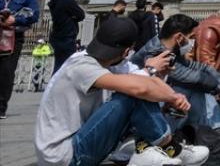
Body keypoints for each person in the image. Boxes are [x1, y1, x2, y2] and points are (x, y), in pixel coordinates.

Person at [34, 16, 210, 166]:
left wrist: (174, 96)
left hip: (80, 144)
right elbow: (139, 87)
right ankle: (170, 148)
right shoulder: (80, 65)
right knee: (131, 94)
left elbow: (146, 82)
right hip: (64, 156)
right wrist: (168, 92)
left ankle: (145, 150)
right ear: (127, 51)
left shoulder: (114, 63)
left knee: (139, 90)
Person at [132, 14, 220, 130]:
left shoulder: (170, 49)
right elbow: (194, 77)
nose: (193, 42)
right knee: (193, 88)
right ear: (179, 37)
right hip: (142, 107)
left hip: (156, 101)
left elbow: (201, 67)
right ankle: (214, 130)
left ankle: (213, 130)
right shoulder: (158, 53)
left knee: (199, 87)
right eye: (191, 37)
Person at [1, 0, 41, 119]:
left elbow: (34, 16)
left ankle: (1, 106)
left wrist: (15, 20)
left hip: (14, 37)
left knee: (6, 73)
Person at [48, 0, 85, 74]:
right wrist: (73, 17)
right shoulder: (67, 0)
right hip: (66, 36)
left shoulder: (53, 0)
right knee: (67, 65)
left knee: (59, 63)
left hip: (56, 35)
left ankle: (55, 85)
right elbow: (81, 15)